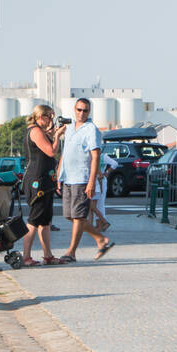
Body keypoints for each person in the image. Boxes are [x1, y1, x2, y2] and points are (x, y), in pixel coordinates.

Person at [58, 98, 114, 263]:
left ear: (89, 112)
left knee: (78, 216)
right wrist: (59, 175)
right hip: (68, 177)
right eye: (79, 110)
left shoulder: (91, 130)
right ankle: (100, 239)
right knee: (71, 216)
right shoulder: (69, 129)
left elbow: (95, 156)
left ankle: (71, 252)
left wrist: (91, 182)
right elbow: (65, 153)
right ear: (74, 110)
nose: (82, 113)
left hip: (81, 178)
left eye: (85, 110)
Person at [22, 104, 66, 265]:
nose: (51, 120)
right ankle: (26, 256)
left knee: (45, 220)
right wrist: (57, 137)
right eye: (49, 116)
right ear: (41, 117)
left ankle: (47, 255)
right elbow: (51, 151)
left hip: (45, 180)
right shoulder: (34, 131)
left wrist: (54, 132)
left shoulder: (39, 131)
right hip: (37, 181)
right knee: (34, 219)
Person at [91, 152, 118, 232]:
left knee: (99, 204)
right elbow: (114, 164)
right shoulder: (102, 156)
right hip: (98, 180)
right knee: (96, 204)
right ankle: (99, 223)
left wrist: (107, 172)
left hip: (100, 180)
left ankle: (101, 223)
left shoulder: (102, 156)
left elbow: (115, 163)